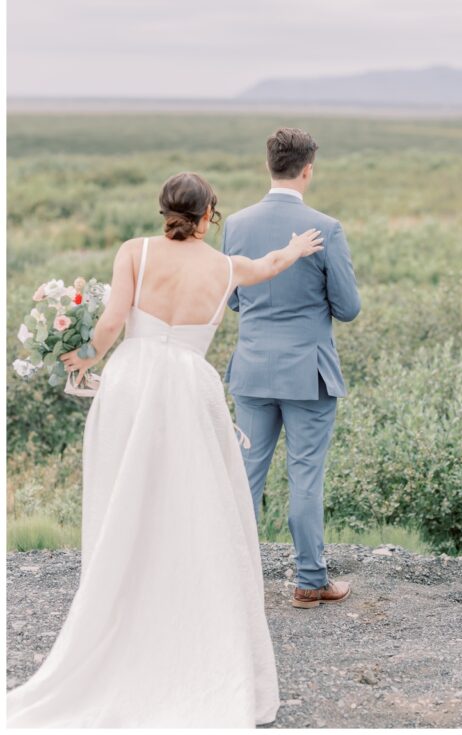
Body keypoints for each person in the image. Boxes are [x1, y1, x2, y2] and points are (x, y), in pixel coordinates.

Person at [8, 172, 324, 727]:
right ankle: (190, 616)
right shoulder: (226, 267)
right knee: (194, 504)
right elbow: (269, 266)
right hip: (190, 389)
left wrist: (84, 359)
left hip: (132, 381)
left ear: (165, 211)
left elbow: (110, 322)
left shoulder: (137, 251)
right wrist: (296, 247)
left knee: (126, 493)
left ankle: (125, 598)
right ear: (208, 216)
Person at [223, 127, 361, 608]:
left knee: (245, 475)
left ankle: (229, 577)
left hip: (253, 371)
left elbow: (235, 299)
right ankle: (309, 580)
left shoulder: (235, 225)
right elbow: (347, 308)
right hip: (308, 374)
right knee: (305, 477)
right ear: (308, 169)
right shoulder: (326, 227)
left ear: (269, 166)